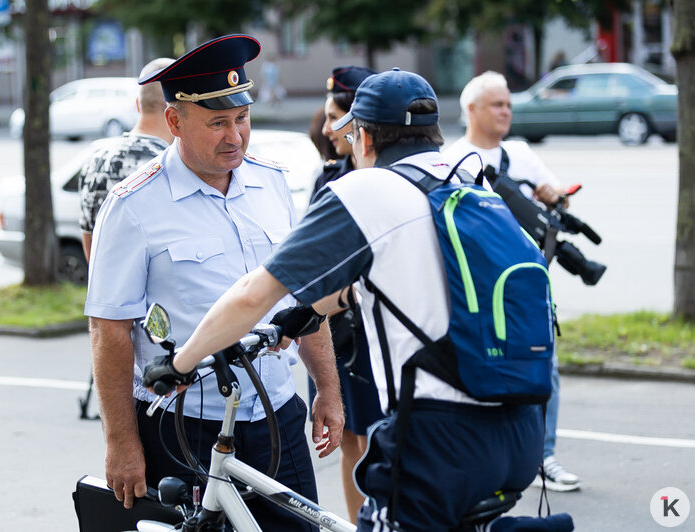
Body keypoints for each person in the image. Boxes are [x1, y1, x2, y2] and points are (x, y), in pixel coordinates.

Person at [144, 68, 546, 531]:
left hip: (441, 438)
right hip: (519, 427)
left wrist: (180, 365)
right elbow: (388, 283)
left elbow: (254, 294)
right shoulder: (470, 179)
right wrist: (302, 316)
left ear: (365, 137)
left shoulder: (367, 189)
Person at [84, 34, 343, 531]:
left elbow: (304, 297)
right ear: (175, 121)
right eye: (218, 122)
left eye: (241, 118)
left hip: (276, 415)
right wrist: (120, 442)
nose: (235, 136)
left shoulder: (271, 184)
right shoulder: (134, 205)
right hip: (183, 426)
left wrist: (326, 388)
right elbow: (109, 330)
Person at [443, 70, 581, 492]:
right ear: (471, 109)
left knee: (543, 363)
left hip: (527, 283)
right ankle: (491, 456)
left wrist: (555, 196)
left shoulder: (520, 153)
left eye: (508, 104)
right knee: (482, 365)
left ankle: (544, 456)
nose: (506, 112)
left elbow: (555, 191)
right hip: (477, 285)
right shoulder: (451, 158)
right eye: (497, 104)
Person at [307, 65, 384, 523]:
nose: (326, 125)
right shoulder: (329, 177)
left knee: (381, 442)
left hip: (376, 331)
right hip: (334, 331)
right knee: (349, 440)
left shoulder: (389, 179)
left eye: (336, 115)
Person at [79, 57, 175, 262]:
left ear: (137, 104)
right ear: (176, 111)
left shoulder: (95, 159)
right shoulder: (171, 165)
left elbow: (90, 247)